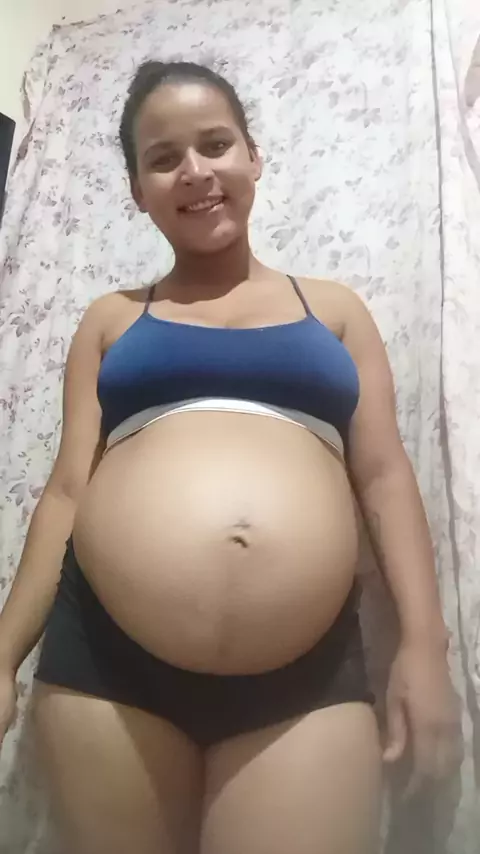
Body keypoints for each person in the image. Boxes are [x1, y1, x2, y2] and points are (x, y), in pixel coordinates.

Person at [0, 60, 462, 854]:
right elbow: (69, 491)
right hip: (108, 667)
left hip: (306, 676)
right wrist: (2, 656)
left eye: (215, 144)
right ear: (137, 190)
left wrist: (424, 646)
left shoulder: (334, 311)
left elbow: (385, 478)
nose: (195, 171)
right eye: (163, 158)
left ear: (254, 156)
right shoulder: (111, 320)